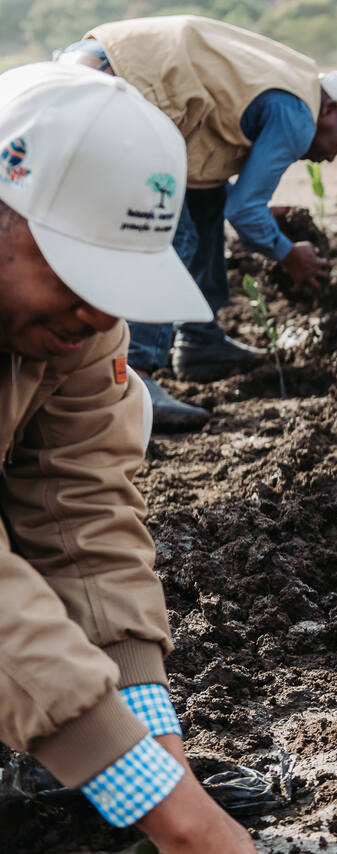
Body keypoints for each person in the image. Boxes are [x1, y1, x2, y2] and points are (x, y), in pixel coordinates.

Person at [0, 62, 253, 852]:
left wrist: (162, 764)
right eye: (80, 270)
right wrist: (183, 821)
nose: (100, 310)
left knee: (127, 403)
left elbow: (80, 512)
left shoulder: (79, 323)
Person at [58, 15, 337, 431]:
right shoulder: (299, 115)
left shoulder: (287, 83)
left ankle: (201, 340)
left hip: (94, 68)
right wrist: (288, 254)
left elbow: (229, 197)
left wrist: (254, 210)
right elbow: (245, 213)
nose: (334, 155)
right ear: (332, 108)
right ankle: (134, 375)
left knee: (205, 202)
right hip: (116, 85)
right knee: (166, 231)